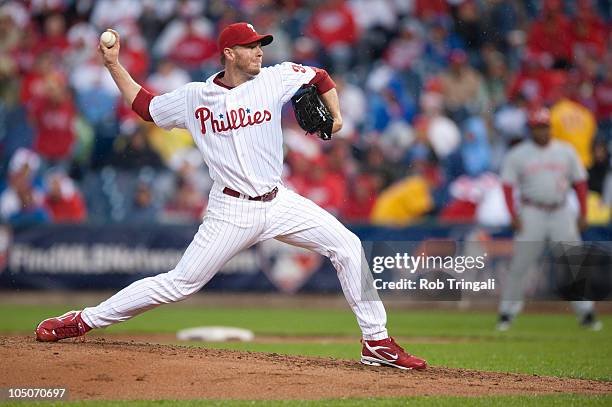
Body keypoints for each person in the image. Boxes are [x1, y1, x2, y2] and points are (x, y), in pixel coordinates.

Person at [35, 22, 427, 371]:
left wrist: (336, 117)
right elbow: (146, 107)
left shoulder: (274, 78)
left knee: (348, 245)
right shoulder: (195, 97)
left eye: (261, 45)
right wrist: (113, 65)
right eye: (251, 46)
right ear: (229, 53)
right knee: (179, 284)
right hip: (230, 210)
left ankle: (376, 341)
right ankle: (83, 319)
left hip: (279, 202)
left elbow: (321, 77)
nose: (260, 51)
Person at [497, 107, 602, 331]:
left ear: (550, 128)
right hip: (532, 211)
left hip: (561, 211)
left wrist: (583, 212)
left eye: (544, 127)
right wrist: (512, 214)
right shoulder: (518, 153)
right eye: (537, 127)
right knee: (520, 265)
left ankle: (586, 314)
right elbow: (507, 186)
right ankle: (507, 314)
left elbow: (580, 183)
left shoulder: (566, 151)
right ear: (531, 129)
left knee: (574, 262)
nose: (541, 131)